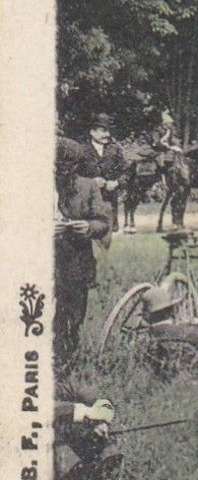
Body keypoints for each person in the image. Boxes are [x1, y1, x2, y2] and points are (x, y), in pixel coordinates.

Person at [54, 139, 113, 382]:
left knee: (73, 316)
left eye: (68, 165)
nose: (62, 169)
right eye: (58, 164)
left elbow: (104, 223)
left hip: (76, 261)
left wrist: (87, 226)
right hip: (44, 261)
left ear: (76, 165)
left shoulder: (88, 187)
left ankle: (66, 366)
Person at [83, 113, 123, 226]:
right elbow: (73, 175)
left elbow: (126, 172)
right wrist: (91, 182)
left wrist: (117, 182)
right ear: (92, 132)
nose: (107, 134)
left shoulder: (115, 150)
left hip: (110, 204)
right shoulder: (81, 150)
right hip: (88, 205)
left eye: (109, 131)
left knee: (108, 236)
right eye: (103, 131)